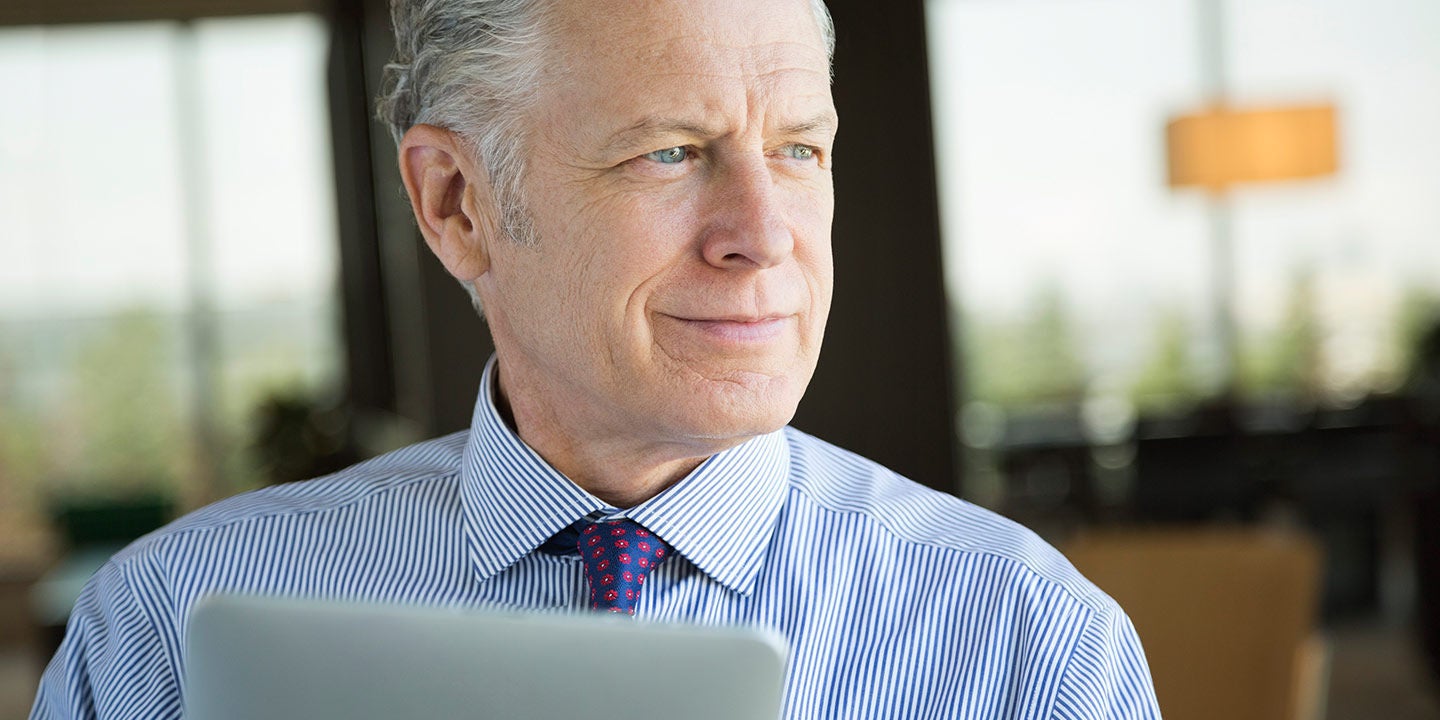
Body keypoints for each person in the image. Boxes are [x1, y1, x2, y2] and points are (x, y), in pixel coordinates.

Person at [31, 0, 1161, 717]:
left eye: (797, 150)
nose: (764, 235)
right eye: (669, 153)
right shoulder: (167, 631)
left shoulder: (1033, 645)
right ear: (456, 203)